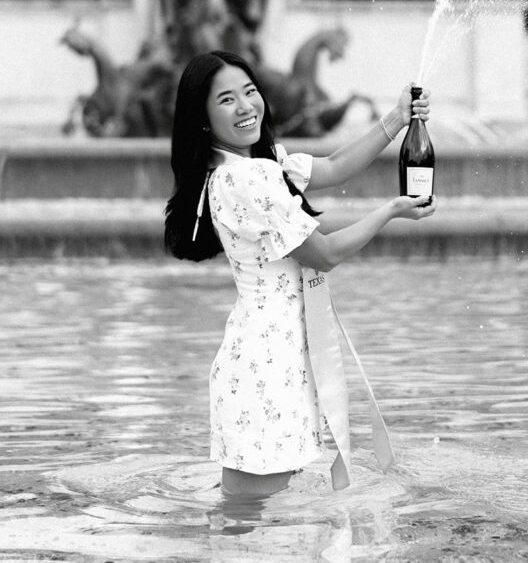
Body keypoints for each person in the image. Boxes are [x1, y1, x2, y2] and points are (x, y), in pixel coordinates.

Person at [164, 50, 436, 499]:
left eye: (250, 91)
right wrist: (390, 211)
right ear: (204, 119)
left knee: (262, 511)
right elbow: (324, 254)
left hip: (278, 357)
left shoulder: (261, 165)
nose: (246, 106)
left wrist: (398, 118)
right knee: (249, 516)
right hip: (265, 365)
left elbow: (335, 167)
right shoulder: (245, 178)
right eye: (227, 100)